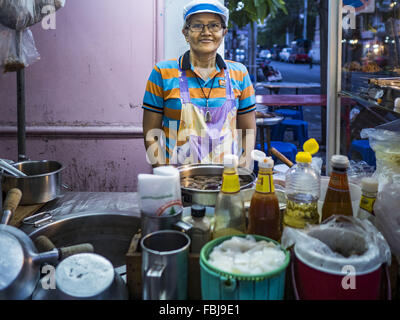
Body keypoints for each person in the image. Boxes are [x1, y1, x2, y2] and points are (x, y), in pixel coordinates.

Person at [142, 0, 256, 167]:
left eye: (214, 26)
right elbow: (151, 134)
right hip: (177, 179)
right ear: (185, 33)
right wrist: (164, 176)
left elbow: (248, 132)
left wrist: (243, 170)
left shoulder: (239, 74)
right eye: (197, 26)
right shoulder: (162, 73)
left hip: (227, 180)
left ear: (224, 32)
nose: (206, 32)